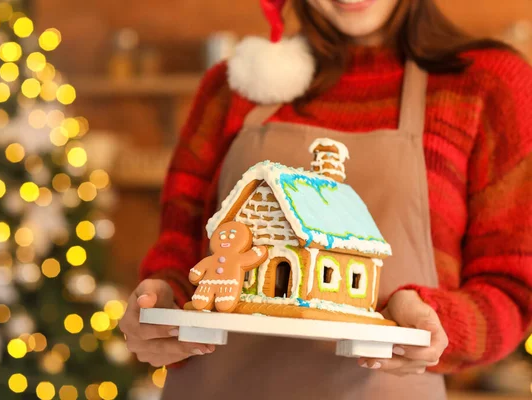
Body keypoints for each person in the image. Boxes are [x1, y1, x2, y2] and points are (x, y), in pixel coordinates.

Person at [120, 0, 532, 398]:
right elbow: (178, 248)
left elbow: (513, 290)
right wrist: (159, 308)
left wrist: (435, 323)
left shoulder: (487, 83)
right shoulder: (234, 87)